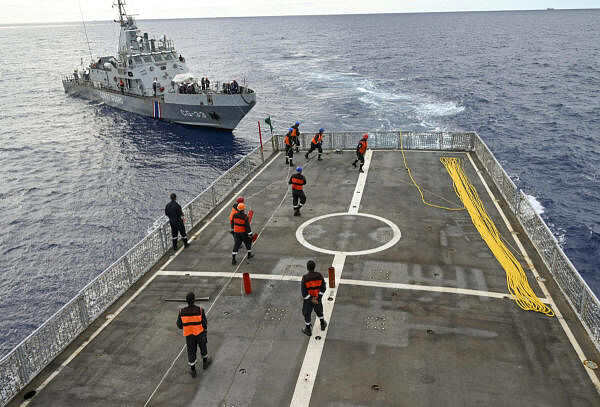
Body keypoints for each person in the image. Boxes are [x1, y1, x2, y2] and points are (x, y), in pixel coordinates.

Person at [176, 292, 211, 377]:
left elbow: (179, 325)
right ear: (194, 300)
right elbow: (204, 323)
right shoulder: (200, 310)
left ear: (186, 301)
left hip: (189, 335)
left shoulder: (181, 312)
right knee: (203, 346)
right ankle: (205, 363)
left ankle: (193, 370)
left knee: (191, 350)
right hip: (200, 333)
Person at [301, 260, 327, 336]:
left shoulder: (305, 278)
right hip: (317, 299)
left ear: (307, 268)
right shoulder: (319, 276)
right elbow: (323, 288)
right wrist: (318, 298)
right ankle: (322, 324)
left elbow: (304, 293)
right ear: (314, 267)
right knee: (319, 311)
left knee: (307, 313)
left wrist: (311, 299)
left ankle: (308, 329)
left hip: (308, 301)